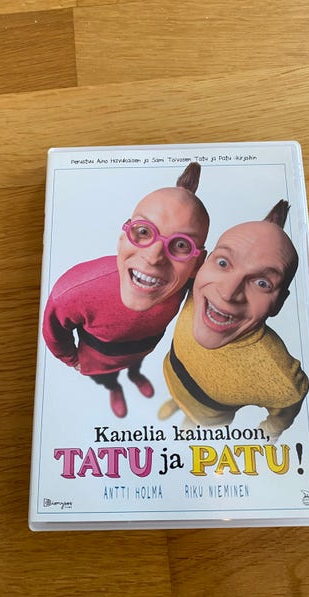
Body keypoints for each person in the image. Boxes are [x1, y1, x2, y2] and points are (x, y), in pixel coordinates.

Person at [43, 163, 209, 418]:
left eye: (180, 245)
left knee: (136, 364)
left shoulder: (186, 282)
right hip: (97, 360)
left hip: (143, 349)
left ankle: (135, 374)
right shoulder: (75, 290)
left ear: (196, 265)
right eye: (143, 231)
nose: (153, 257)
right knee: (107, 378)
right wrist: (72, 359)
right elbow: (54, 331)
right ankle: (114, 388)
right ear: (122, 239)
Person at [159, 200, 309, 442]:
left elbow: (284, 412)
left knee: (195, 423)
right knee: (177, 393)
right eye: (223, 263)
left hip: (210, 416)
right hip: (172, 375)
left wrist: (268, 435)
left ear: (279, 303)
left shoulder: (282, 378)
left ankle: (191, 421)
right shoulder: (195, 285)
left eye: (262, 283)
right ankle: (176, 402)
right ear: (202, 265)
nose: (228, 293)